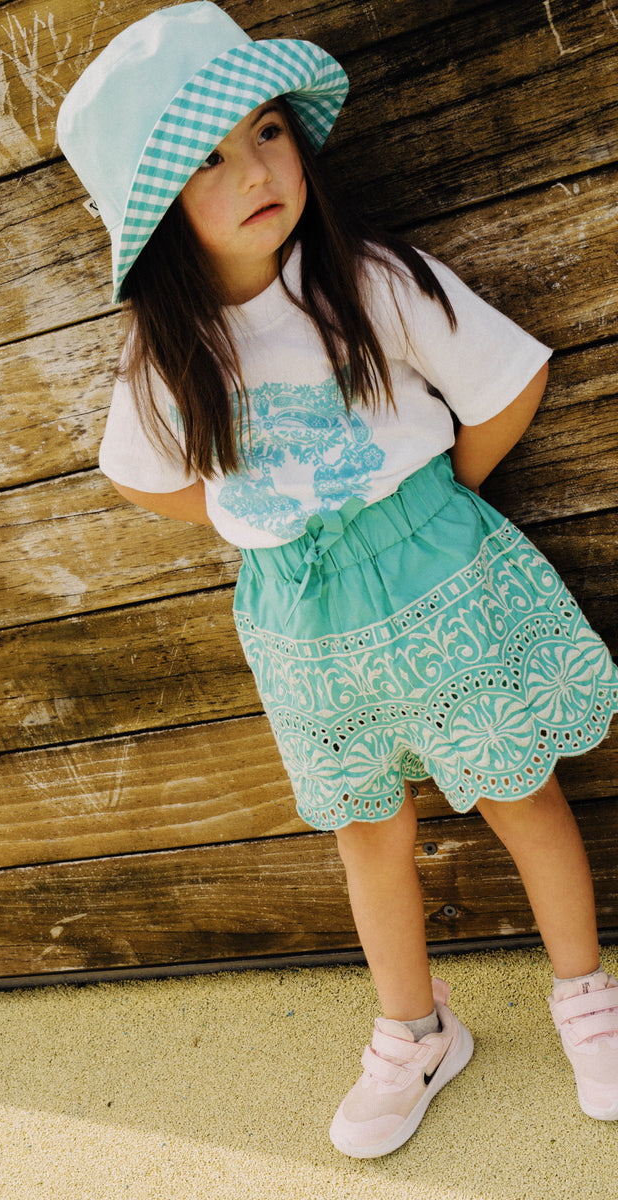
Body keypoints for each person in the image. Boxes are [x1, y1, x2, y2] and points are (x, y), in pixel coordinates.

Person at [57, 1, 618, 1158]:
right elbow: (140, 478)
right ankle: (413, 1030)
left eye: (266, 131)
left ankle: (586, 998)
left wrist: (425, 500)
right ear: (156, 207)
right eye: (207, 159)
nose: (257, 168)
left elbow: (509, 378)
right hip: (302, 627)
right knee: (365, 828)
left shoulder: (362, 279)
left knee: (516, 789)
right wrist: (248, 515)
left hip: (436, 583)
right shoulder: (167, 358)